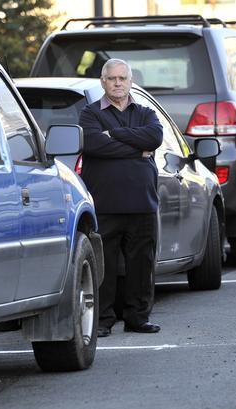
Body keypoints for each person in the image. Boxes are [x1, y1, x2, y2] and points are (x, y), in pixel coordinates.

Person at [78, 58, 163, 337]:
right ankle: (102, 321)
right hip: (105, 204)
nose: (117, 83)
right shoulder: (89, 114)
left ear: (130, 81)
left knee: (142, 265)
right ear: (103, 82)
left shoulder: (146, 113)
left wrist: (114, 134)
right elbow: (93, 143)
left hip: (142, 202)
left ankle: (138, 319)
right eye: (112, 79)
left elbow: (153, 137)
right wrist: (136, 149)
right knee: (106, 266)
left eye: (122, 78)